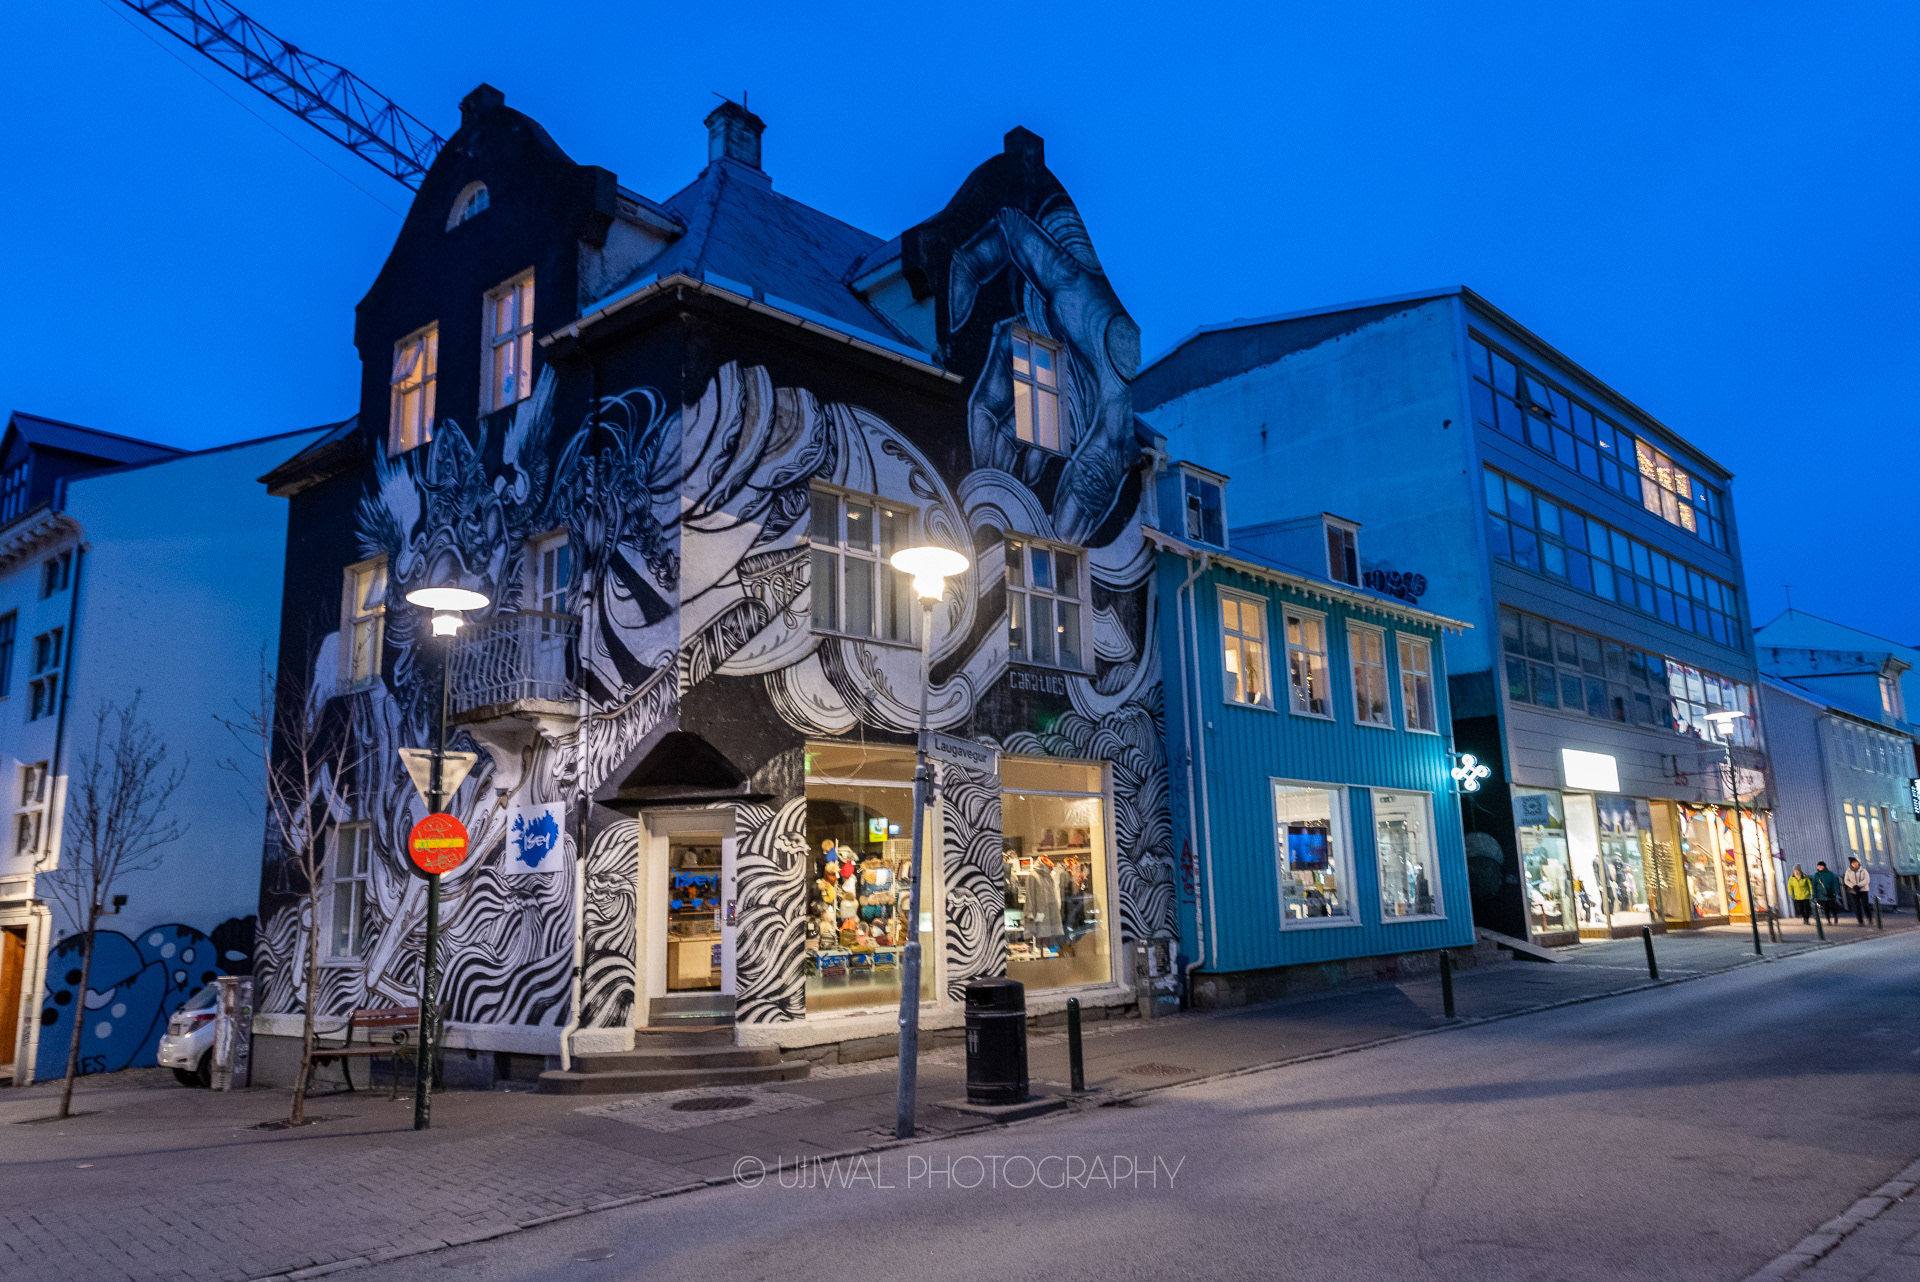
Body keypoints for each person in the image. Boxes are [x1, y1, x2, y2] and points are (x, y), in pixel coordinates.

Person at [1844, 857, 1871, 925]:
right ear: (1851, 864)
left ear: (1858, 863)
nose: (1855, 864)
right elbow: (1846, 880)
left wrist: (1858, 885)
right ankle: (1860, 921)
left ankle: (1869, 917)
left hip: (1863, 890)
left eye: (1856, 862)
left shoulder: (1863, 870)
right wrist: (1853, 886)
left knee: (1865, 905)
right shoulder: (1848, 871)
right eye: (1853, 863)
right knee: (1857, 906)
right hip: (1854, 891)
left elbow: (1867, 879)